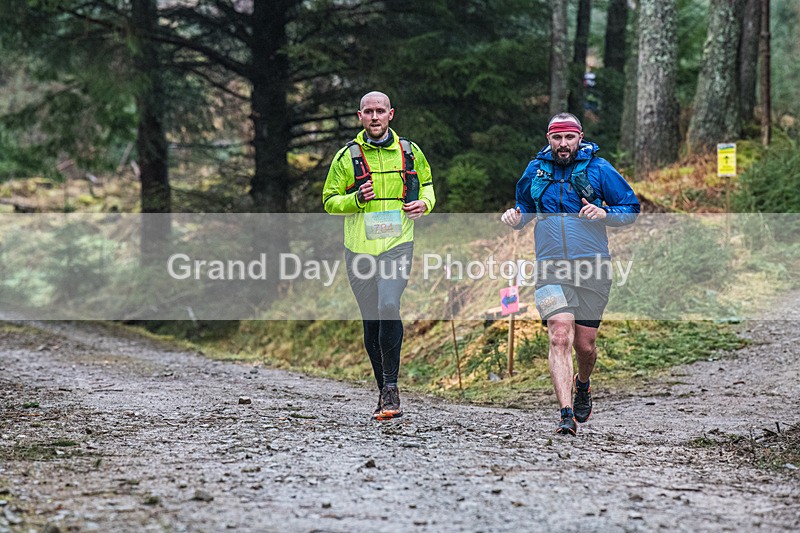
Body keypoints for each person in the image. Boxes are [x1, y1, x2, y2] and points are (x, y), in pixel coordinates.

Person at [501, 112, 639, 435]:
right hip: (550, 267)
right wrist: (515, 217)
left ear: (580, 137)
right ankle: (566, 415)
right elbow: (524, 208)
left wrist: (604, 212)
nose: (563, 144)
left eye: (569, 138)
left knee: (585, 346)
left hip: (592, 266)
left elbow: (631, 208)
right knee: (560, 334)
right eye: (557, 138)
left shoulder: (599, 169)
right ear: (548, 138)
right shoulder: (535, 170)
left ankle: (583, 384)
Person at [322, 91, 435, 421]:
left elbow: (426, 185)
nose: (374, 117)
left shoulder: (410, 152)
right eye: (368, 112)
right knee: (371, 322)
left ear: (391, 114)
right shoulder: (347, 157)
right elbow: (329, 200)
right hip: (358, 250)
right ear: (360, 116)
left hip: (398, 244)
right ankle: (383, 391)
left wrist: (423, 204)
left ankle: (391, 385)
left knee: (388, 305)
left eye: (380, 111)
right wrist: (356, 198)